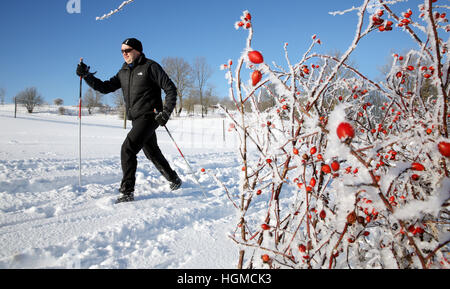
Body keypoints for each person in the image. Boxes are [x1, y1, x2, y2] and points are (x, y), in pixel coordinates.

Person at [76, 38, 182, 203]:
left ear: (138, 50)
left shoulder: (150, 66)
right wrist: (87, 76)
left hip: (150, 116)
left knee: (128, 148)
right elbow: (105, 87)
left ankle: (127, 192)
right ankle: (174, 179)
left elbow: (170, 89)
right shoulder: (123, 71)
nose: (124, 54)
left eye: (128, 50)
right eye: (122, 51)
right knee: (151, 152)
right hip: (136, 118)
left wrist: (166, 113)